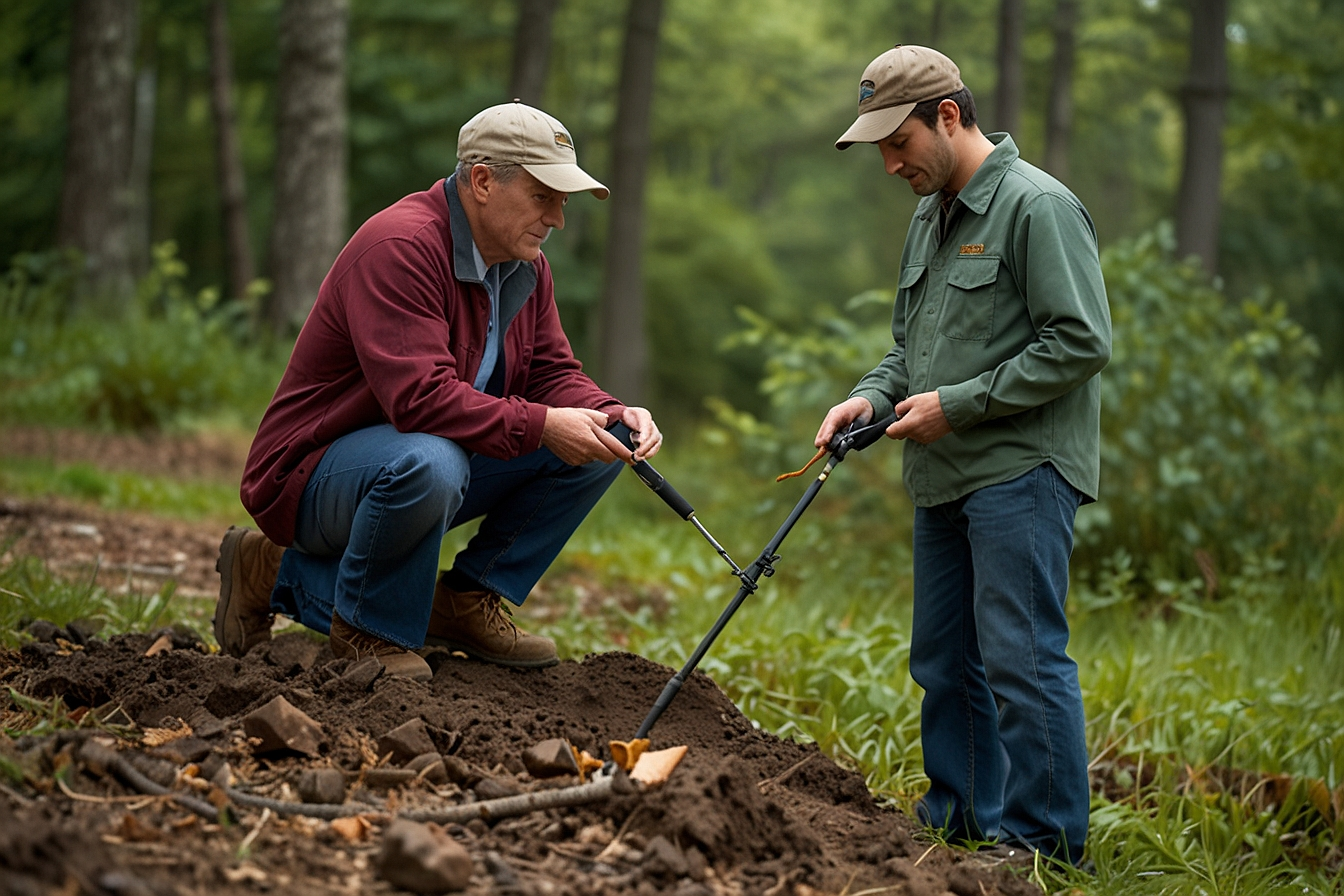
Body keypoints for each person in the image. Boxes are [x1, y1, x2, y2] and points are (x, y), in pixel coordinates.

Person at [213, 101, 662, 682]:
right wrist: (543, 424)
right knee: (432, 460)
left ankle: (467, 600)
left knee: (605, 437)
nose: (557, 218)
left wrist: (608, 411)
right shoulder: (401, 246)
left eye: (563, 200)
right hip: (311, 474)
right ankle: (345, 617)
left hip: (417, 458)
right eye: (542, 196)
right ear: (481, 180)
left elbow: (551, 371)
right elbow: (420, 399)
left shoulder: (525, 264)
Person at [816, 46, 1111, 865]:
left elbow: (1081, 342)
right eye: (878, 146)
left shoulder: (1037, 206)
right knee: (945, 659)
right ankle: (960, 823)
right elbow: (912, 348)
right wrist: (870, 396)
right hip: (941, 476)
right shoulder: (929, 214)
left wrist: (962, 405)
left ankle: (1046, 846)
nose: (888, 163)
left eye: (897, 141)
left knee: (1020, 657)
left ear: (949, 115)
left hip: (1021, 470)